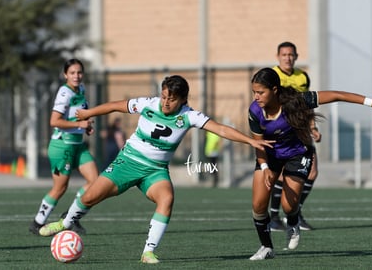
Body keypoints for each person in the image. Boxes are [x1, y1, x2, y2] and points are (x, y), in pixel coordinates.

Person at [38, 75, 273, 264]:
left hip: (155, 170)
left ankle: (148, 252)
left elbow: (220, 129)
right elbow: (116, 106)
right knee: (89, 197)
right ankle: (66, 222)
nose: (165, 102)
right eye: (163, 96)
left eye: (171, 98)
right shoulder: (148, 104)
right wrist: (89, 113)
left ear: (183, 99)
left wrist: (251, 141)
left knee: (167, 198)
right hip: (127, 162)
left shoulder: (188, 116)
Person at [248, 67, 372, 260]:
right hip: (270, 155)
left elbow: (336, 95)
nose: (256, 97)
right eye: (254, 92)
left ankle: (292, 223)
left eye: (261, 92)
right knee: (258, 205)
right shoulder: (254, 110)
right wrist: (266, 167)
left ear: (275, 89)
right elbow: (257, 143)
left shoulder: (297, 101)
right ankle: (266, 247)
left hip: (297, 153)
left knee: (288, 206)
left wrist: (371, 102)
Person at [29, 59, 99, 235]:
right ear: (65, 75)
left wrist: (86, 125)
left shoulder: (81, 89)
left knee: (95, 181)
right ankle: (37, 223)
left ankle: (70, 215)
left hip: (78, 145)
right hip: (62, 146)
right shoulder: (64, 92)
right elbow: (54, 121)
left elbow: (78, 118)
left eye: (79, 72)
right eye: (73, 73)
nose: (76, 76)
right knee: (60, 188)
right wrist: (79, 126)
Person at [270, 41, 321, 231]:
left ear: (296, 56)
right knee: (284, 174)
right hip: (280, 131)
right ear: (278, 57)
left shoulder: (302, 77)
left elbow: (307, 105)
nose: (288, 58)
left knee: (312, 171)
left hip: (301, 130)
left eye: (291, 55)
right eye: (284, 55)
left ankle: (295, 213)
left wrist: (313, 127)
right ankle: (274, 217)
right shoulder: (272, 76)